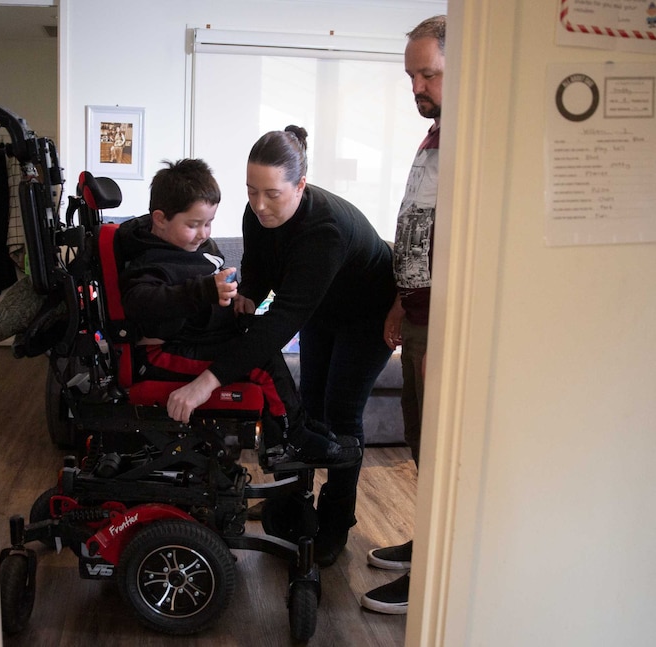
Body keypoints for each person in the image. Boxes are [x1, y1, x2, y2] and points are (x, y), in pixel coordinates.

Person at [163, 132, 396, 567]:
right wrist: (249, 292)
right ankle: (290, 505)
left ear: (301, 186)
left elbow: (280, 324)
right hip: (324, 309)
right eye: (251, 191)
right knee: (305, 409)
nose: (259, 204)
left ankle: (335, 521)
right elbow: (260, 264)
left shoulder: (323, 230)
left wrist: (204, 383)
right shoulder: (259, 212)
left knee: (341, 414)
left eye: (272, 194)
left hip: (368, 314)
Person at [117, 158, 362, 469]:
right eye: (193, 225)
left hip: (201, 338)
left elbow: (219, 286)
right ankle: (290, 442)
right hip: (164, 352)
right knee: (262, 362)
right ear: (161, 219)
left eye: (208, 223)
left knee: (263, 345)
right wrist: (205, 291)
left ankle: (297, 428)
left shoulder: (198, 247)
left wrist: (236, 302)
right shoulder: (150, 258)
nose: (203, 233)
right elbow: (141, 301)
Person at [360, 14, 446, 615]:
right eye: (412, 75)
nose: (417, 86)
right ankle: (429, 545)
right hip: (416, 313)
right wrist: (398, 297)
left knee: (443, 447)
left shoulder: (474, 138)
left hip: (447, 322)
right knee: (421, 443)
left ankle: (437, 574)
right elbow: (418, 229)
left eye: (429, 74)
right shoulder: (436, 135)